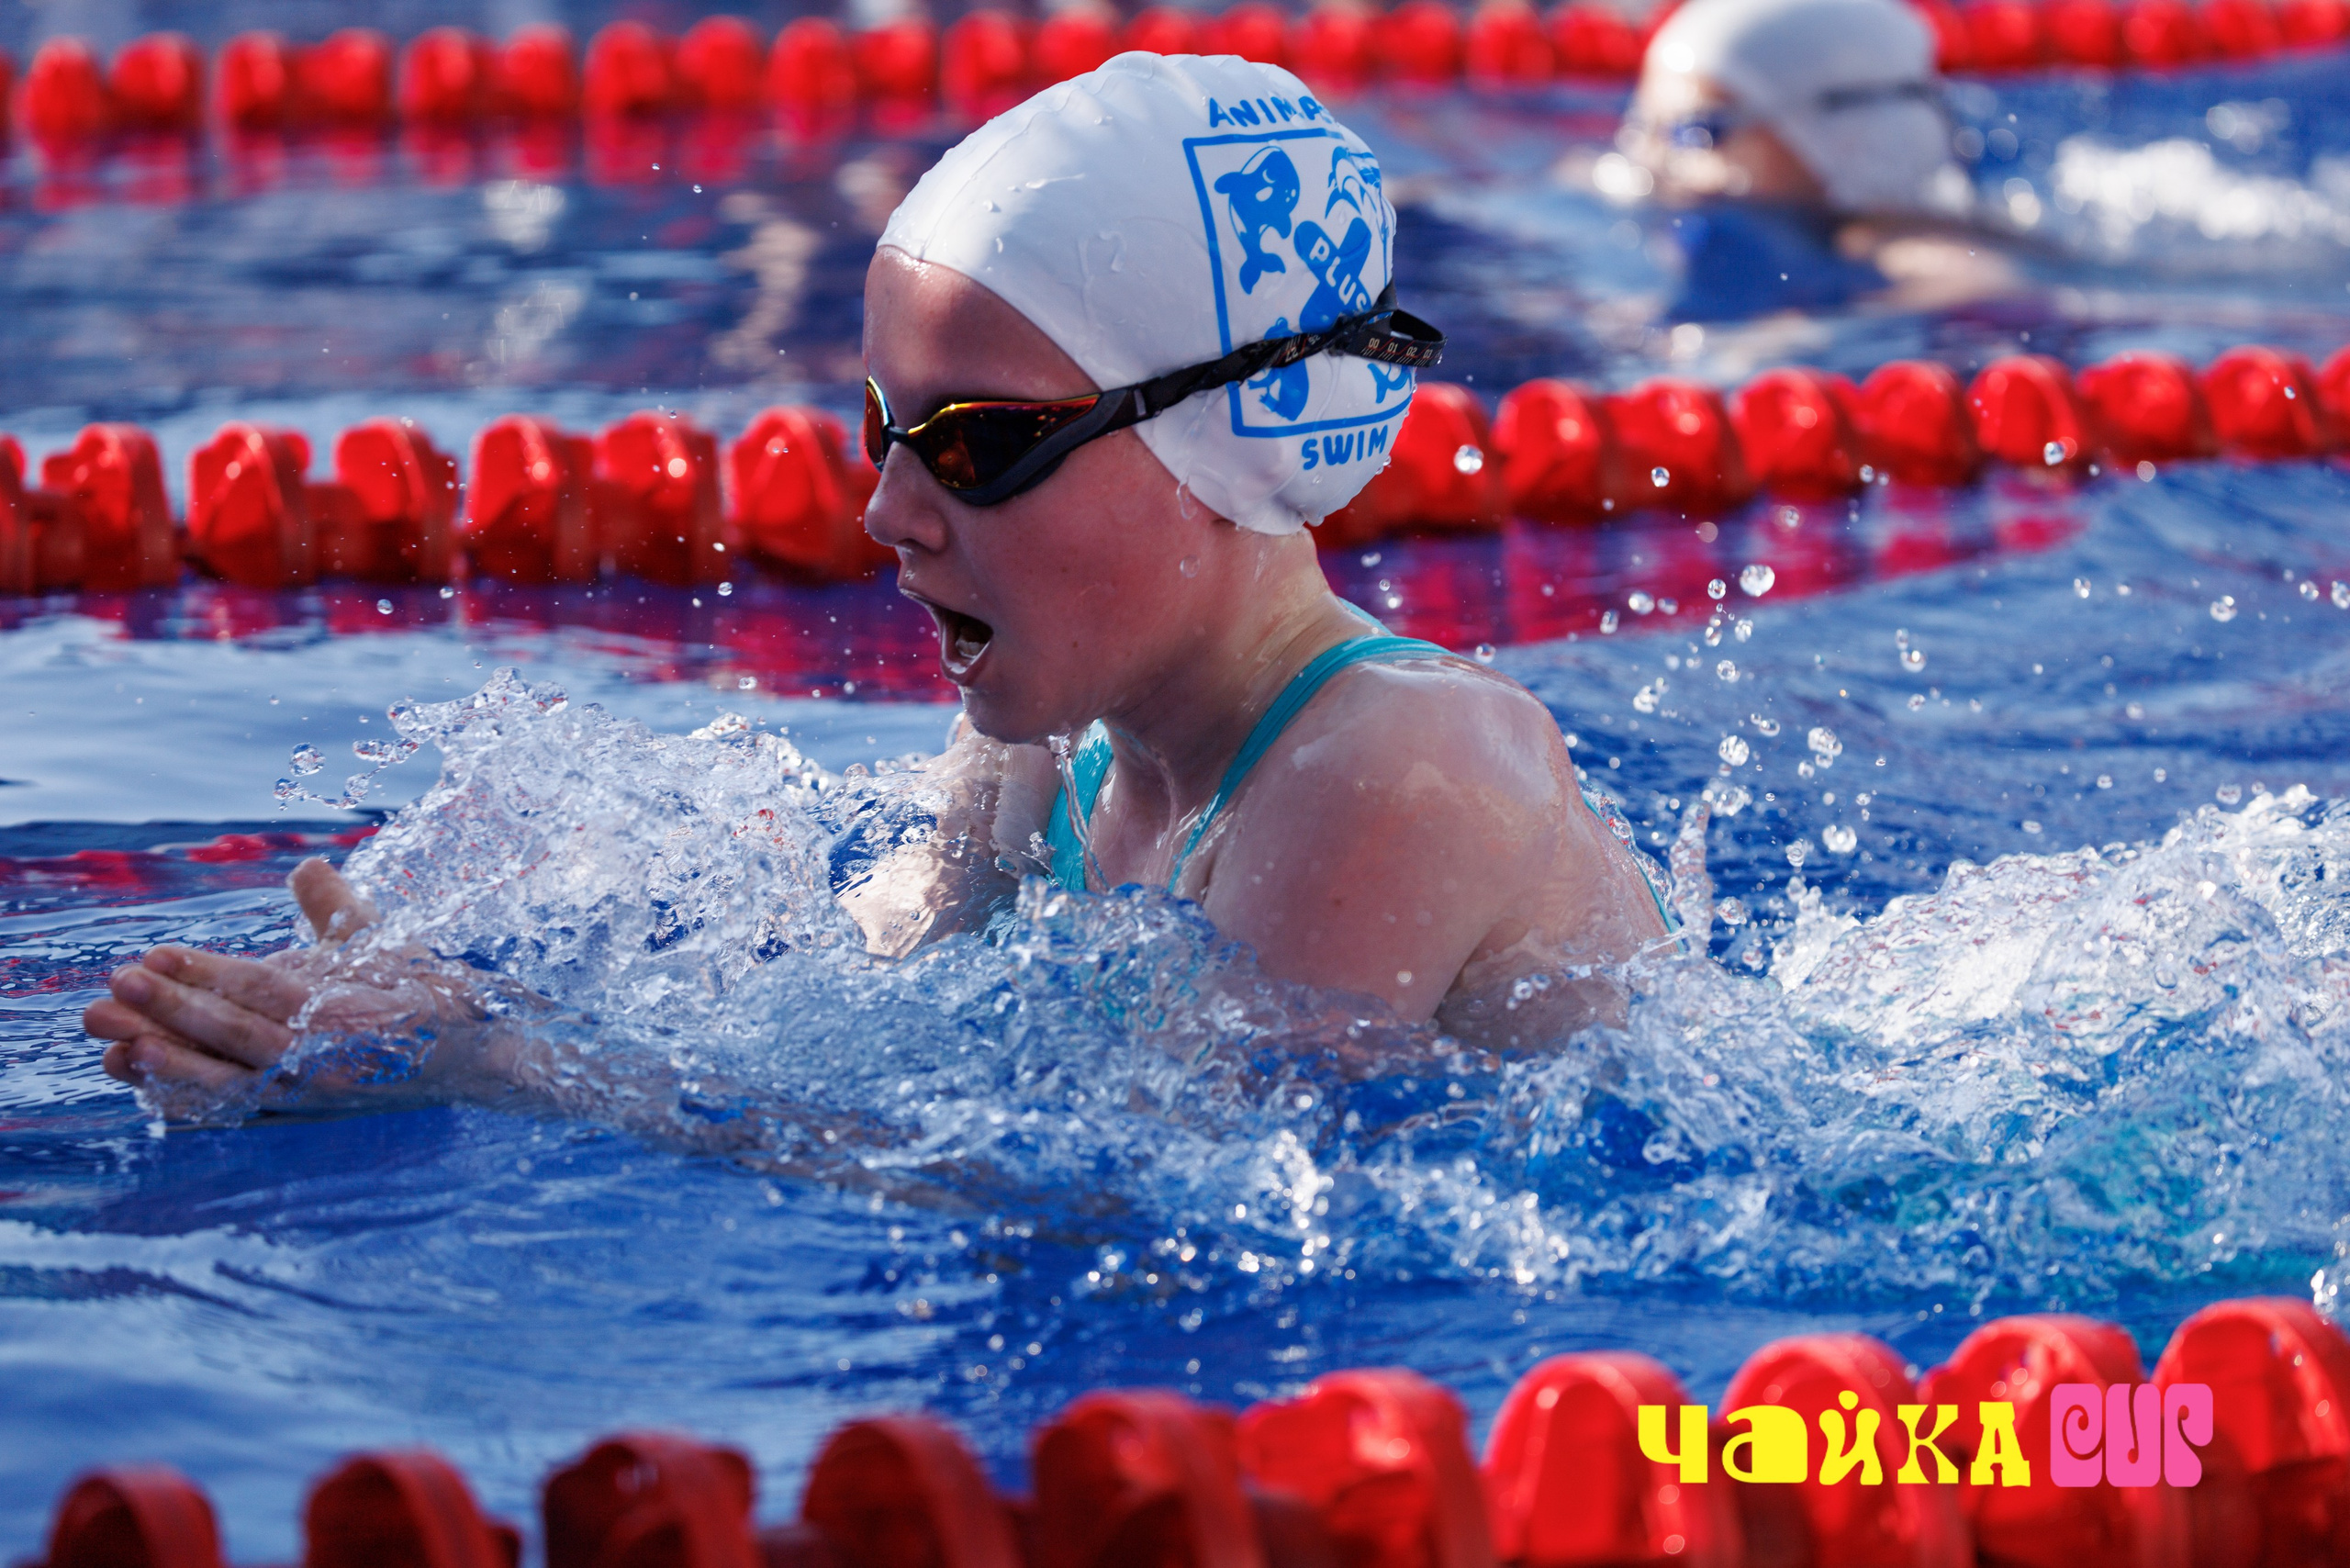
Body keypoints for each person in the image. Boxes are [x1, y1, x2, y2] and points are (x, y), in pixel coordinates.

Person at [86, 53, 1670, 1115]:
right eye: (882, 426)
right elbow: (865, 1034)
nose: (885, 508)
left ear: (1216, 438)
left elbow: (1160, 1204)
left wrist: (506, 1067)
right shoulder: (1043, 746)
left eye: (976, 444)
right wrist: (408, 992)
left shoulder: (1390, 767)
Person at [1608, 0, 2012, 319]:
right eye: (1646, 127)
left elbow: (1984, 287)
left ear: (1839, 139)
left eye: (1695, 132)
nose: (1652, 159)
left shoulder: (1917, 252)